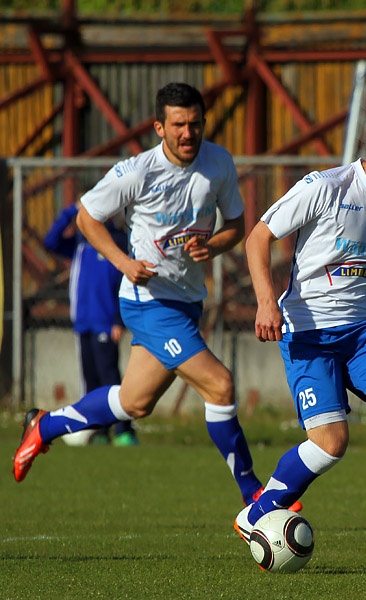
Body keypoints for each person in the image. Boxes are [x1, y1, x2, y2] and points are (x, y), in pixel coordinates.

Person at [13, 82, 298, 513]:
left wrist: (214, 246)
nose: (189, 134)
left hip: (186, 302)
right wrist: (123, 263)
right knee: (220, 385)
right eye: (179, 125)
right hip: (146, 302)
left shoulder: (218, 163)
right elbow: (88, 217)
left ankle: (44, 425)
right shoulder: (136, 172)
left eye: (196, 124)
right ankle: (254, 495)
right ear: (159, 128)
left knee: (134, 402)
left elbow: (238, 227)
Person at [237, 103, 366, 551]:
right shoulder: (324, 187)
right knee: (331, 443)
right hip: (308, 331)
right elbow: (258, 237)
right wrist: (264, 302)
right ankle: (256, 513)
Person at [43, 202, 138, 446]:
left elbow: (124, 282)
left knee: (110, 377)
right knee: (91, 379)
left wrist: (118, 319)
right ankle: (100, 431)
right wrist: (70, 211)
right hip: (83, 321)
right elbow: (51, 242)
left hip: (105, 322)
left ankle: (124, 430)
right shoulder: (80, 241)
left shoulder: (118, 241)